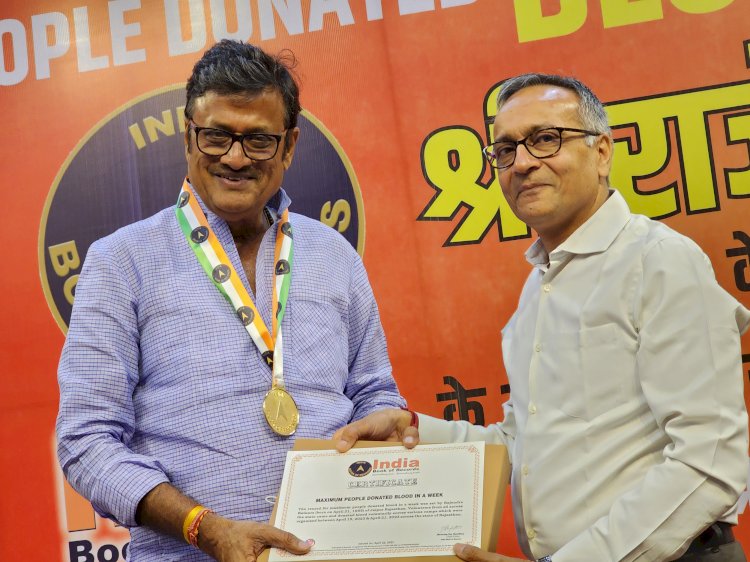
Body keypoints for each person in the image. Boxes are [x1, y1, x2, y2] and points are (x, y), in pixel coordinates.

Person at [334, 73, 750, 562]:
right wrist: (413, 429)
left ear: (601, 153)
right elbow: (524, 441)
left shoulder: (657, 260)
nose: (523, 162)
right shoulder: (539, 286)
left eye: (546, 138)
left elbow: (709, 461)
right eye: (505, 150)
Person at [56, 39, 404, 562]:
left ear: (289, 146)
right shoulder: (120, 262)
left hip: (340, 552)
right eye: (216, 136)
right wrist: (204, 528)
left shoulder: (334, 254)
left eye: (259, 140)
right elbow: (86, 441)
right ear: (188, 136)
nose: (235, 158)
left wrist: (386, 419)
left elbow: (375, 392)